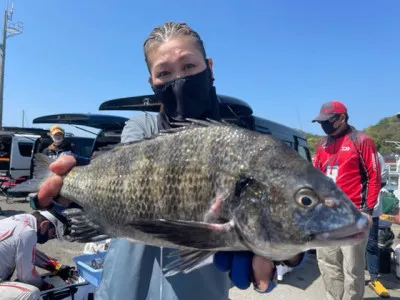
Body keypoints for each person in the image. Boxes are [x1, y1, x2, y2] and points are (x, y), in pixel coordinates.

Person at [30, 21, 305, 299]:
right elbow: (124, 169)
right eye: (164, 73)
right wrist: (67, 187)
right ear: (152, 82)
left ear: (209, 66)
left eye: (189, 66)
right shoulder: (142, 127)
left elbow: (277, 232)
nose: (179, 80)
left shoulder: (238, 147)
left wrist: (285, 253)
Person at [312, 100, 381, 300]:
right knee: (328, 264)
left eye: (327, 121)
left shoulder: (361, 140)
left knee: (352, 268)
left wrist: (367, 210)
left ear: (342, 118)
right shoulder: (322, 144)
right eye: (320, 122)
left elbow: (373, 176)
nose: (323, 125)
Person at [0, 209, 74, 299]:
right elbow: (26, 276)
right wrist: (46, 286)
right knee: (32, 293)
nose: (50, 237)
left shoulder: (20, 220)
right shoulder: (27, 233)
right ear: (44, 225)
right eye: (53, 233)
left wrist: (57, 268)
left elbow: (28, 253)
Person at [365, 152, 390, 297]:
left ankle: (374, 277)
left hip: (371, 210)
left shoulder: (376, 156)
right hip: (350, 209)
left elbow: (383, 179)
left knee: (371, 243)